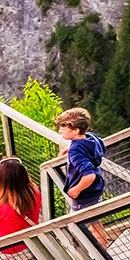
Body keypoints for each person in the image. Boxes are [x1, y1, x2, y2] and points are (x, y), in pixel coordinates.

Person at [55, 106, 110, 248]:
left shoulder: (75, 151)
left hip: (84, 195)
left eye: (63, 127)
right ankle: (103, 248)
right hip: (96, 189)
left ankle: (88, 254)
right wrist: (73, 149)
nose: (59, 130)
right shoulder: (92, 138)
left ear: (76, 130)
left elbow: (89, 175)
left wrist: (76, 190)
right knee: (96, 222)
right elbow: (100, 148)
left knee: (75, 226)